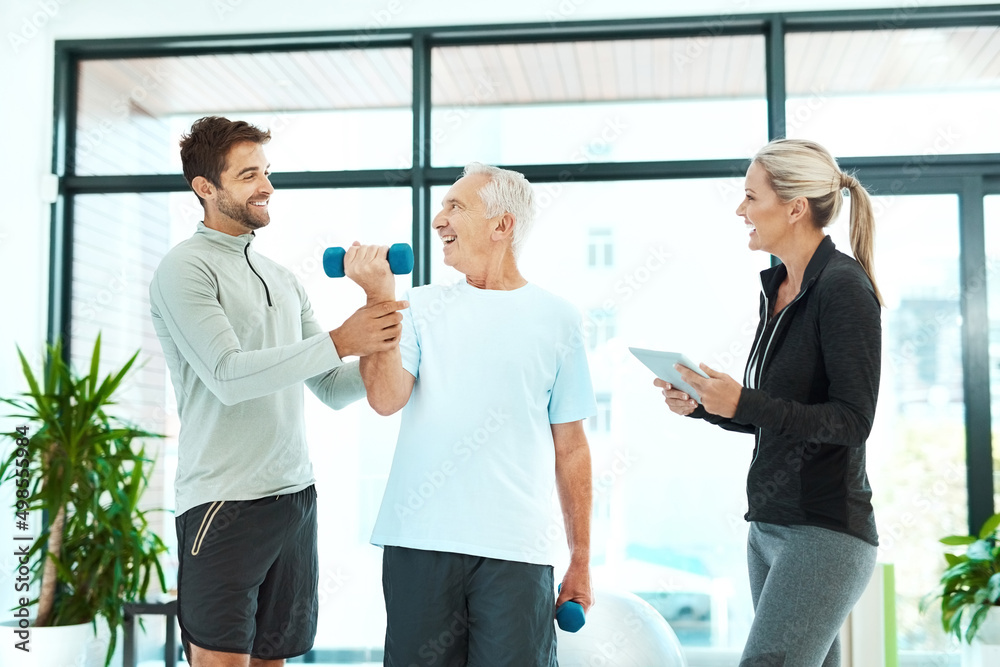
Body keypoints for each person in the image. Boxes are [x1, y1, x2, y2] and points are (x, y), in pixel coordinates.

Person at [149, 116, 408, 667]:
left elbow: (335, 388)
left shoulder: (283, 279)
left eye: (266, 171)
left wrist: (381, 325)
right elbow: (227, 374)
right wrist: (343, 338)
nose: (267, 186)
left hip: (294, 499)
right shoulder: (184, 269)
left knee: (274, 662)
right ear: (206, 189)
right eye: (248, 175)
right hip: (223, 503)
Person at [348, 163, 596, 666]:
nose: (439, 220)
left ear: (502, 225)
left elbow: (571, 449)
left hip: (516, 550)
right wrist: (378, 297)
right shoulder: (418, 305)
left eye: (455, 206)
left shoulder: (559, 319)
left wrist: (582, 560)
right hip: (420, 542)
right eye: (442, 206)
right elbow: (384, 398)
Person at [656, 138, 882, 666]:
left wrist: (744, 402)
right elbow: (780, 418)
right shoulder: (779, 286)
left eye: (751, 197)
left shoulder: (843, 287)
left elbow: (852, 422)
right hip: (768, 527)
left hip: (823, 532)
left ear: (795, 207)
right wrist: (709, 404)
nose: (741, 210)